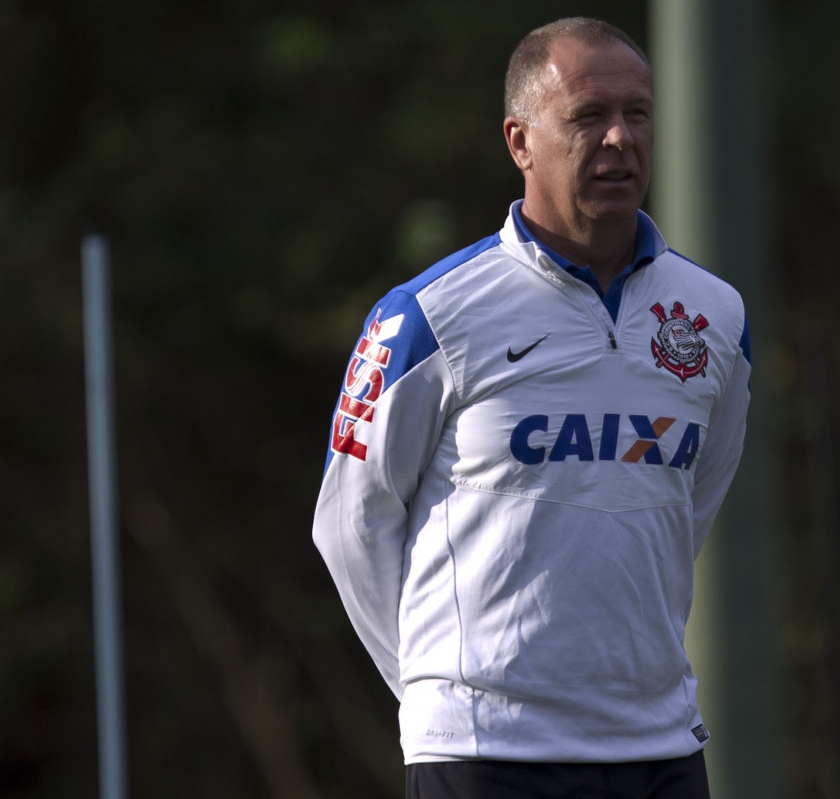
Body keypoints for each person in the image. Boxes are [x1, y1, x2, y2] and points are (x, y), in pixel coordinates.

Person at [313, 16, 751, 799]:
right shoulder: (429, 316)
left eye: (638, 113)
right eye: (589, 116)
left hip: (658, 745)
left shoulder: (715, 316)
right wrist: (437, 694)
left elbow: (687, 506)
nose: (619, 137)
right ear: (520, 141)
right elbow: (350, 525)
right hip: (486, 754)